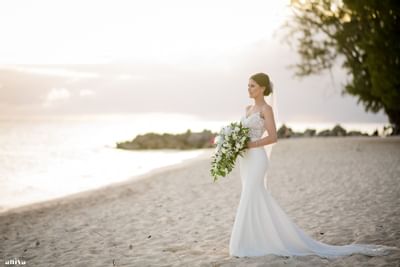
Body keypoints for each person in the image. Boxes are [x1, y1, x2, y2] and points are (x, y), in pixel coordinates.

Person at [228, 72, 399, 258]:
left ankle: (244, 243)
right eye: (248, 85)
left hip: (257, 159)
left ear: (262, 88)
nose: (249, 89)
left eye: (252, 86)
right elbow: (240, 134)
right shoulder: (247, 109)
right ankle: (255, 239)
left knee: (251, 194)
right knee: (251, 195)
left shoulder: (266, 110)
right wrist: (232, 144)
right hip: (245, 160)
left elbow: (273, 137)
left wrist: (251, 144)